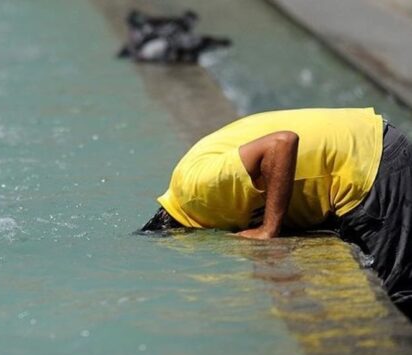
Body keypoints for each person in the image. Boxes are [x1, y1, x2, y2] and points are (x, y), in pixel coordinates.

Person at [142, 108, 412, 313]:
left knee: (397, 295)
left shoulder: (196, 191)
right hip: (363, 146)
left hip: (368, 163)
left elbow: (282, 143)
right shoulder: (190, 190)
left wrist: (268, 228)